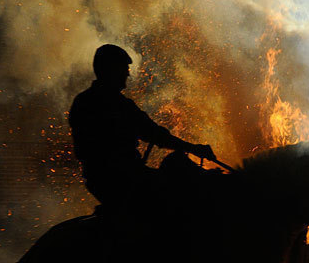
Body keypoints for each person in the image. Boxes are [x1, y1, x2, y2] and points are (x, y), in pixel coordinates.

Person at [69, 44, 216, 206]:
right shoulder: (117, 104)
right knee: (182, 175)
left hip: (99, 183)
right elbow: (155, 134)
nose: (127, 74)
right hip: (126, 180)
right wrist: (195, 149)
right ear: (112, 69)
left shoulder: (82, 101)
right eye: (124, 68)